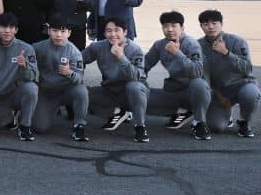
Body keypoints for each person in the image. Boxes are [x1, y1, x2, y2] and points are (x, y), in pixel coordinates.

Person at [144, 11, 212, 140]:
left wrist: (177, 53)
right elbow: (145, 65)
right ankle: (183, 111)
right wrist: (139, 80)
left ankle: (199, 122)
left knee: (199, 84)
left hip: (195, 92)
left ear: (182, 27)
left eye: (174, 25)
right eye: (165, 26)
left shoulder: (191, 44)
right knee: (139, 95)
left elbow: (197, 71)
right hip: (174, 91)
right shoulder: (160, 45)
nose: (169, 30)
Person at [83, 17, 150, 142]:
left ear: (125, 32)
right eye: (108, 31)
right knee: (82, 94)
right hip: (110, 90)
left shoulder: (135, 50)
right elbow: (79, 60)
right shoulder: (98, 47)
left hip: (132, 91)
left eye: (116, 30)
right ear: (104, 33)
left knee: (134, 86)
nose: (113, 34)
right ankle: (118, 112)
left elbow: (137, 77)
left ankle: (140, 126)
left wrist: (121, 57)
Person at [0, 12, 39, 140]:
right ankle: (10, 116)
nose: (7, 31)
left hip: (17, 93)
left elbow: (34, 77)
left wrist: (24, 66)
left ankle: (25, 126)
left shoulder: (26, 49)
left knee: (31, 88)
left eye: (11, 28)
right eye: (3, 27)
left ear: (16, 30)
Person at [198, 10, 257, 137]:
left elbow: (247, 69)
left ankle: (244, 122)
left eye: (214, 23)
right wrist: (218, 95)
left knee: (251, 94)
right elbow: (202, 75)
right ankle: (226, 113)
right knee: (216, 127)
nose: (210, 27)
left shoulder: (237, 41)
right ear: (201, 26)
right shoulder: (198, 45)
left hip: (241, 86)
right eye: (205, 24)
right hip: (219, 91)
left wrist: (226, 53)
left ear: (221, 24)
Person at [32, 15, 90, 141]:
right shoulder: (38, 47)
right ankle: (51, 110)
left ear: (69, 33)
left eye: (63, 31)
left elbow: (79, 79)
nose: (58, 35)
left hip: (66, 91)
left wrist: (70, 73)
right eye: (55, 31)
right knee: (40, 128)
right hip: (46, 92)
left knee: (81, 91)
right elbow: (26, 57)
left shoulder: (74, 52)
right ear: (49, 31)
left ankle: (79, 125)